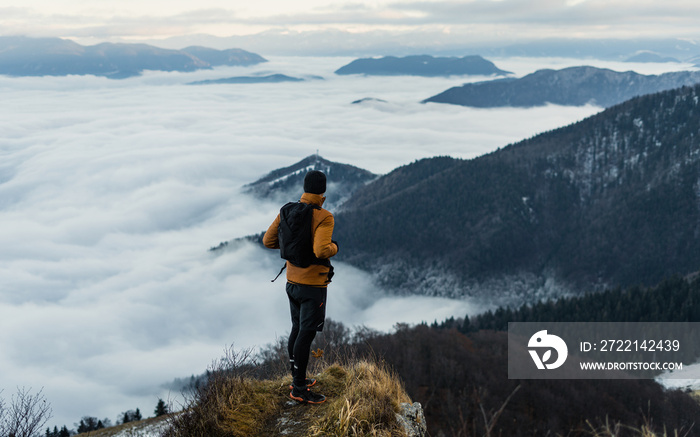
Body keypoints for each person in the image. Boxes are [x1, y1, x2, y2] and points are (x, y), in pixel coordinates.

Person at [263, 170, 338, 404]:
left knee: (296, 329)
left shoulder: (287, 210)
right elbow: (321, 250)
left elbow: (268, 241)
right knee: (306, 335)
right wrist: (335, 247)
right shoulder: (324, 216)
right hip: (313, 286)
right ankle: (299, 388)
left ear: (305, 188)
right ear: (323, 191)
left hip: (291, 283)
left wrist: (293, 250)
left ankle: (298, 378)